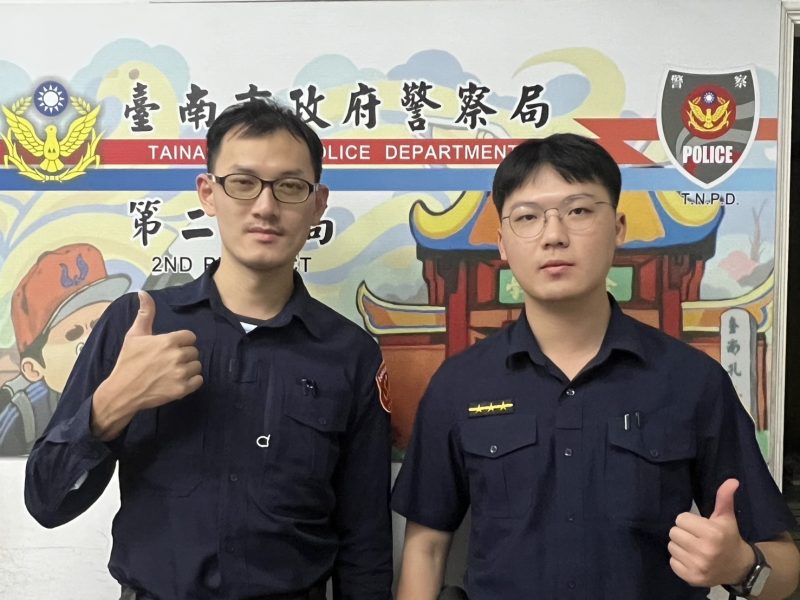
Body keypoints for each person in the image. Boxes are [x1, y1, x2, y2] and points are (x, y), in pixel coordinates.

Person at [391, 133, 800, 600]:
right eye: (527, 217)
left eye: (579, 211)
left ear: (619, 227)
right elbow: (426, 549)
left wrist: (742, 567)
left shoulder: (692, 381)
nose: (554, 235)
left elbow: (785, 567)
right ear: (502, 243)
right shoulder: (460, 384)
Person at [25, 100, 393, 600]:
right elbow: (46, 502)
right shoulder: (138, 325)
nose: (265, 207)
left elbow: (365, 544)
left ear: (317, 203)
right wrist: (110, 408)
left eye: (289, 187)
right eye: (242, 183)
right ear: (209, 193)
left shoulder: (350, 353)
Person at [0, 243, 130, 455]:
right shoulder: (24, 416)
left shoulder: (140, 389)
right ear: (33, 368)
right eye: (73, 334)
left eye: (99, 324)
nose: (92, 340)